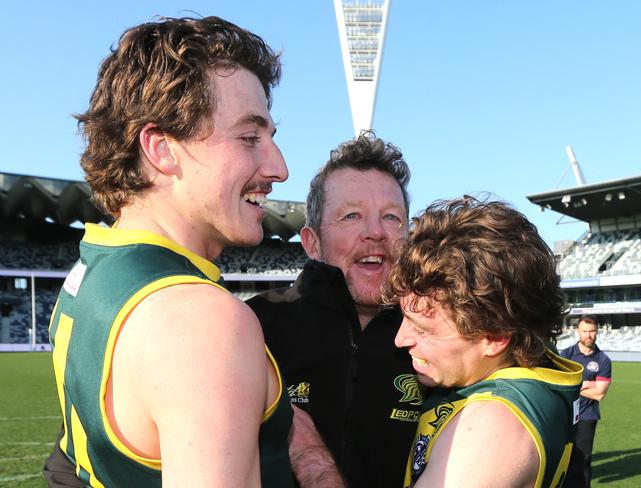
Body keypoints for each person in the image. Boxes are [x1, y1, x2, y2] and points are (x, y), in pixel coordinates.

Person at [45, 16, 339, 488]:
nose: (279, 167)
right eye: (249, 137)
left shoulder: (94, 265)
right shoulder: (203, 321)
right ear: (162, 148)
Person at [247, 131, 422, 488]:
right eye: (352, 216)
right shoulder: (254, 328)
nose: (375, 232)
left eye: (392, 217)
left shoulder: (437, 338)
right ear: (312, 243)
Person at [387, 196, 583, 488]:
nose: (400, 339)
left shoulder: (490, 429)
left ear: (495, 336)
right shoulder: (525, 375)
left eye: (423, 329)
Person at [560, 315, 612, 487]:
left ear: (597, 332)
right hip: (565, 416)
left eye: (592, 331)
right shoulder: (566, 355)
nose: (588, 335)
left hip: (587, 417)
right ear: (578, 332)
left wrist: (575, 385)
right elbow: (560, 386)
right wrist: (588, 384)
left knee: (583, 461)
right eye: (584, 331)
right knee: (561, 459)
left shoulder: (603, 360)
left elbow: (599, 394)